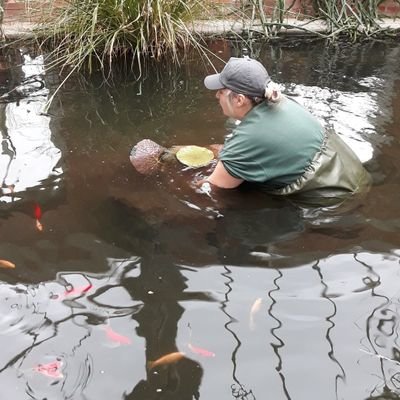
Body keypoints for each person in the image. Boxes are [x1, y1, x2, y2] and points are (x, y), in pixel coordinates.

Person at [199, 56, 371, 202]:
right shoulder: (281, 102)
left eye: (221, 91)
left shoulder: (248, 139)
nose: (216, 95)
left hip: (334, 202)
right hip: (359, 179)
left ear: (239, 100)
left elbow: (213, 188)